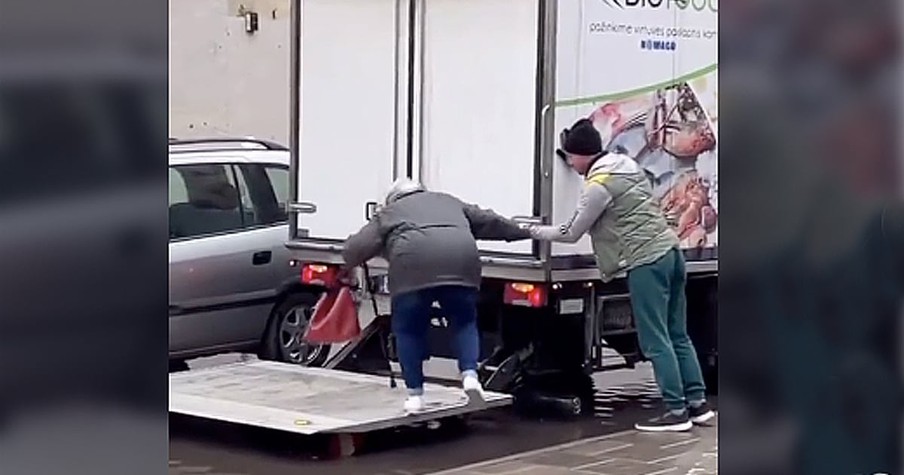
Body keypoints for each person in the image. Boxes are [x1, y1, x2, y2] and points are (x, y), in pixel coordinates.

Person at [527, 118, 715, 432]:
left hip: (646, 261)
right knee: (678, 334)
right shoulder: (625, 165)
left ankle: (676, 412)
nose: (570, 163)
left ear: (584, 155)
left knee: (656, 340)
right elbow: (589, 165)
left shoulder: (598, 187)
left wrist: (530, 230)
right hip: (671, 253)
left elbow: (572, 232)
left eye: (571, 157)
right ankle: (698, 405)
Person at [341, 178, 532, 413]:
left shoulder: (389, 213)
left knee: (408, 329)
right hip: (462, 264)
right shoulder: (449, 201)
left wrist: (358, 253)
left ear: (393, 198)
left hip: (413, 268)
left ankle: (415, 395)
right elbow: (491, 221)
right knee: (464, 322)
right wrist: (525, 232)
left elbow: (353, 250)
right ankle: (470, 376)